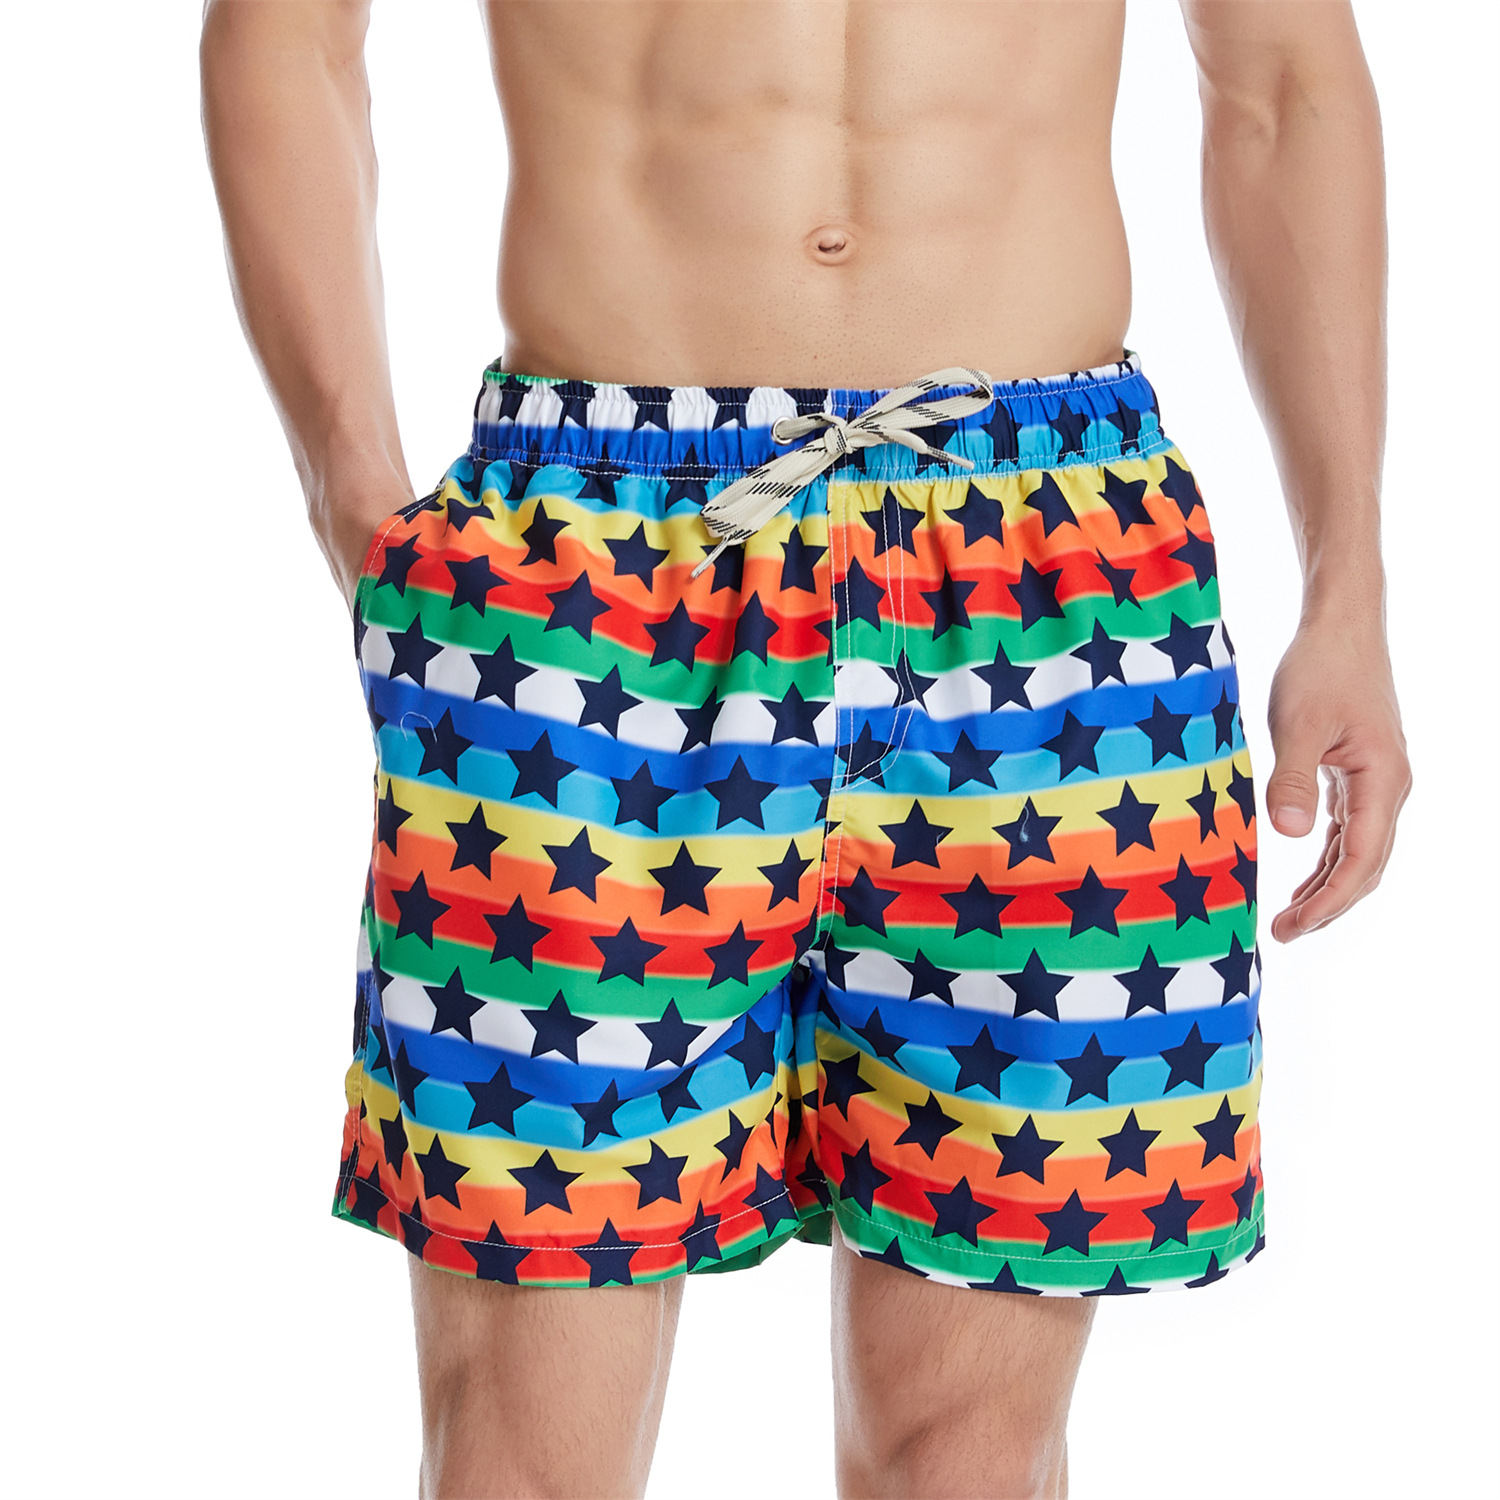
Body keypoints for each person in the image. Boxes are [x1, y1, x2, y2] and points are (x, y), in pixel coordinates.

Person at [201, 2, 1410, 1495]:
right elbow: (288, 30)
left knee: (970, 1456)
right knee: (524, 1437)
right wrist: (357, 502)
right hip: (591, 570)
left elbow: (1280, 81)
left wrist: (1348, 588)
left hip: (1052, 582)